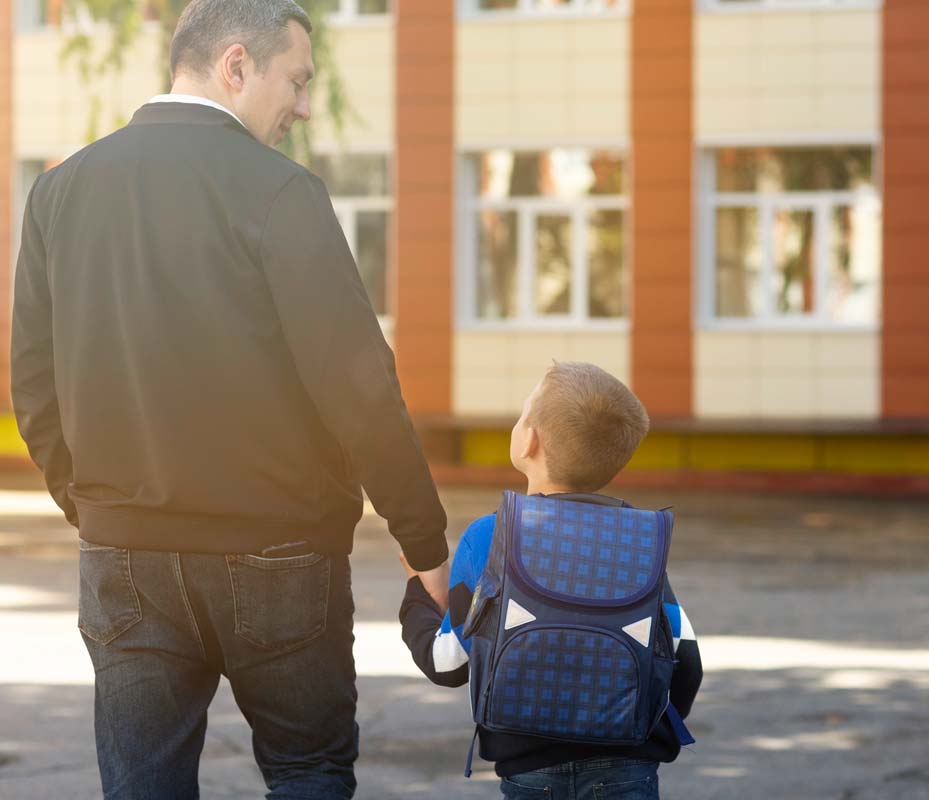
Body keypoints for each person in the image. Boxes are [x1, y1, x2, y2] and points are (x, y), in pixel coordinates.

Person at [10, 1, 449, 797]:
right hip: (279, 553)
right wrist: (426, 546)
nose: (305, 105)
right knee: (309, 772)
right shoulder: (281, 192)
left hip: (124, 555)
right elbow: (358, 387)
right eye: (298, 79)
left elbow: (33, 386)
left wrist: (100, 511)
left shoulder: (58, 193)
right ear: (236, 65)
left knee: (143, 786)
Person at [399, 362, 702, 799]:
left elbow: (448, 664)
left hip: (530, 772)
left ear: (529, 439)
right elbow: (685, 660)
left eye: (524, 414)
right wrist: (639, 733)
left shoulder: (491, 535)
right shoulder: (637, 540)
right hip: (628, 769)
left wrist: (417, 595)